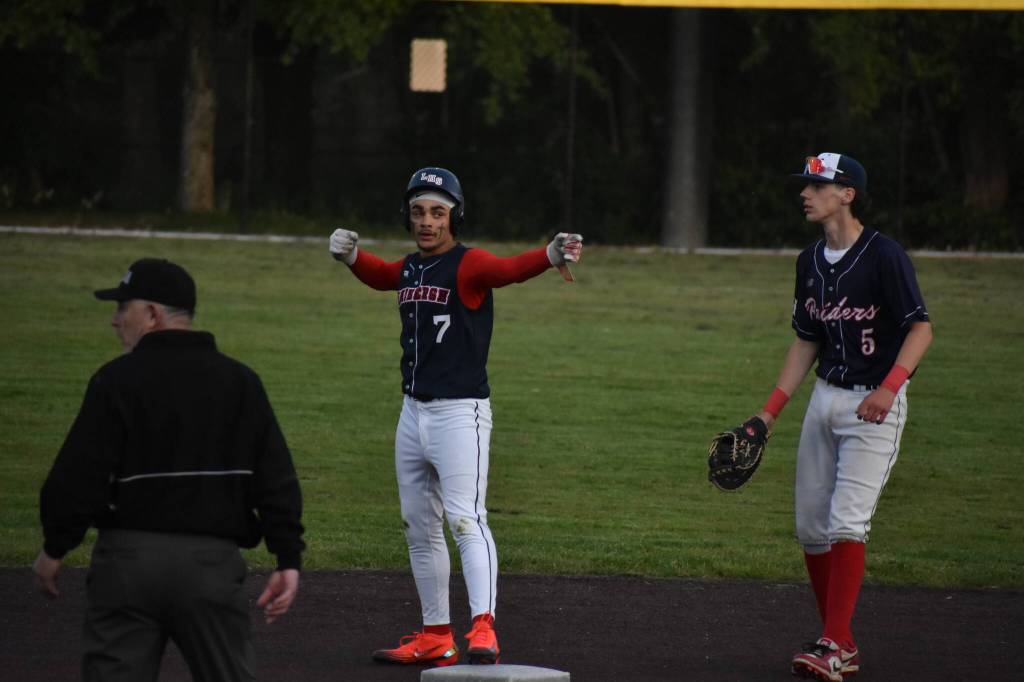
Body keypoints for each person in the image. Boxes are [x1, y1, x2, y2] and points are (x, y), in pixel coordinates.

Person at [329, 167, 582, 667]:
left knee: (467, 519)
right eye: (418, 211)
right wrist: (353, 258)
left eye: (437, 212)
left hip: (459, 415)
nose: (426, 221)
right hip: (412, 413)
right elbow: (383, 276)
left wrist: (550, 255)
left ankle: (483, 627)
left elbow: (507, 270)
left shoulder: (469, 264)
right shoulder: (410, 269)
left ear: (455, 216)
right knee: (419, 526)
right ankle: (435, 634)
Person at [33, 258, 305, 682]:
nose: (115, 320)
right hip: (210, 568)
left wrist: (54, 548)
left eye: (124, 307)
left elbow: (77, 477)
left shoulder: (115, 380)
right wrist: (288, 557)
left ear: (153, 315)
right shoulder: (240, 382)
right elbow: (275, 478)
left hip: (126, 565)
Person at [745, 153, 932, 681]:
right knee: (810, 526)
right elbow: (808, 340)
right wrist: (768, 413)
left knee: (847, 520)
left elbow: (920, 328)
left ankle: (835, 642)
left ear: (847, 193)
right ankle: (838, 641)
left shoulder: (884, 255)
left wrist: (891, 388)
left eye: (816, 184)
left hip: (874, 404)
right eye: (804, 184)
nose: (805, 192)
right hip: (826, 398)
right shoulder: (809, 262)